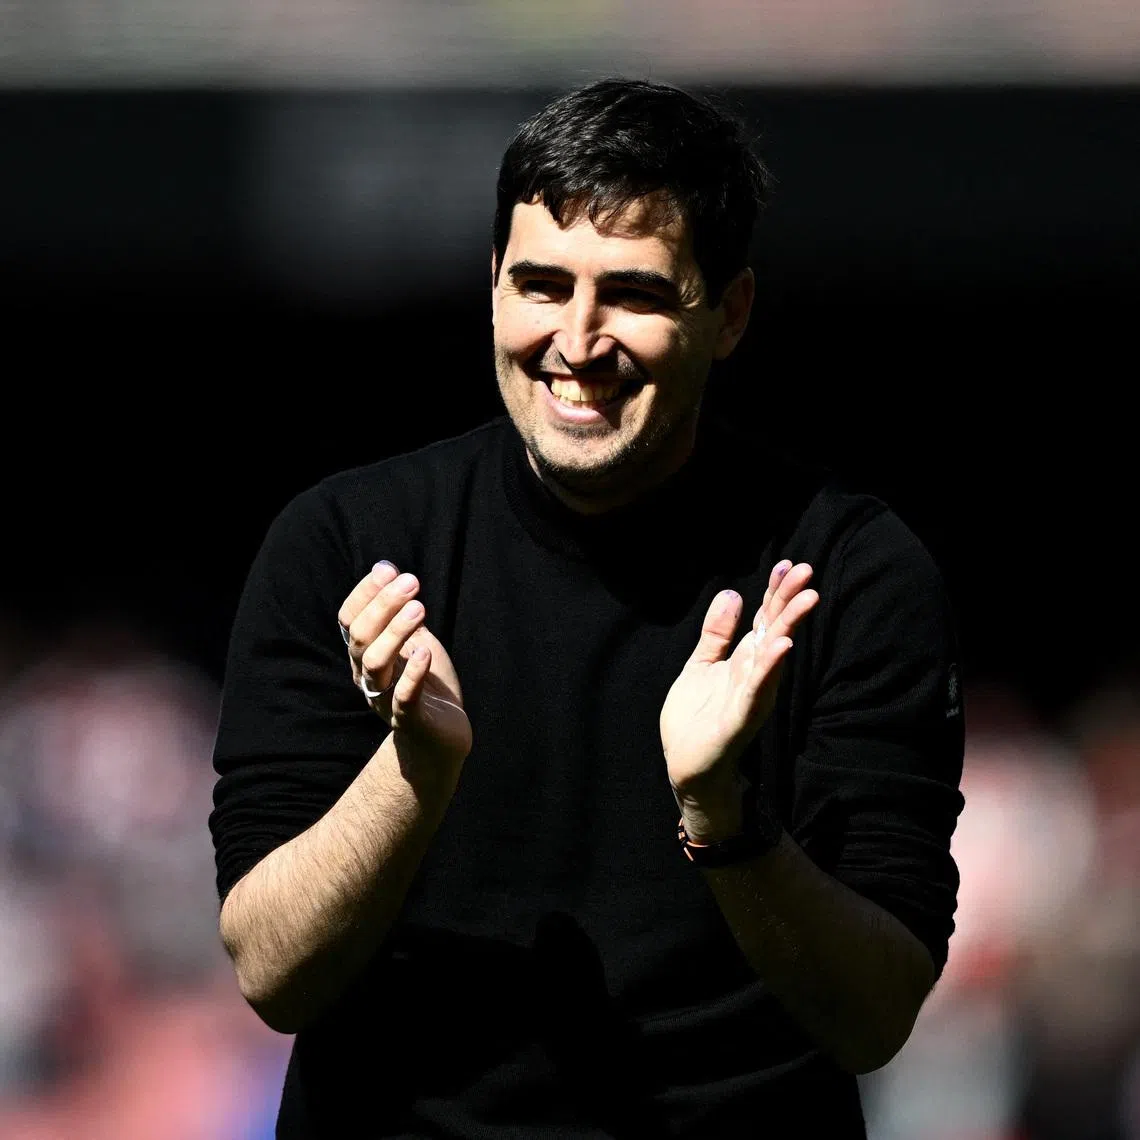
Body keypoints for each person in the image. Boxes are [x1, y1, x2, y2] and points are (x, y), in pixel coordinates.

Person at [208, 77, 966, 1138]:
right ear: (492, 290)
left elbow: (874, 1016)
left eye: (636, 294)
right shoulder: (345, 544)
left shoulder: (847, 570)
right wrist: (415, 771)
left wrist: (723, 816)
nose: (578, 338)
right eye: (541, 284)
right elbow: (273, 973)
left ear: (730, 313)